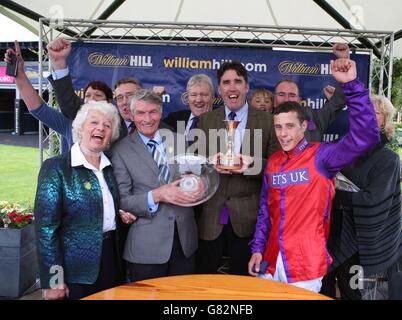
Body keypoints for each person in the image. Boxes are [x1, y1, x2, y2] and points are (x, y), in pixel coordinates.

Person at [248, 58, 380, 293]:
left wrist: (351, 85)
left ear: (303, 127)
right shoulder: (274, 162)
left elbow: (366, 135)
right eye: (278, 127)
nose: (283, 134)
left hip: (304, 264)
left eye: (290, 126)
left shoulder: (322, 157)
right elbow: (265, 212)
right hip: (269, 261)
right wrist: (257, 249)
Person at [193, 61, 280, 275]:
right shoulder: (205, 121)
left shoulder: (268, 122)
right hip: (211, 218)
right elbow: (194, 164)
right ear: (219, 89)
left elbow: (279, 168)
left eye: (238, 82)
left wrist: (252, 165)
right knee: (205, 284)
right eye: (226, 82)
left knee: (243, 285)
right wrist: (209, 163)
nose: (232, 87)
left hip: (248, 221)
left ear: (246, 87)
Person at [322, 95, 402, 300]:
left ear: (384, 121)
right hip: (337, 235)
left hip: (372, 244)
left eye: (375, 112)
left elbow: (373, 201)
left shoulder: (388, 159)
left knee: (358, 296)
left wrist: (335, 194)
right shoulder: (340, 148)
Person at [34, 101, 123, 300]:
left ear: (111, 135)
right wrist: (53, 280)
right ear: (80, 128)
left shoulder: (110, 169)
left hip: (110, 262)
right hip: (74, 270)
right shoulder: (56, 168)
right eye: (94, 122)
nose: (100, 128)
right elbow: (45, 229)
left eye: (107, 125)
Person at [111, 89, 202, 282]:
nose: (147, 118)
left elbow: (194, 178)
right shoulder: (120, 150)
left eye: (153, 112)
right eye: (141, 113)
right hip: (146, 248)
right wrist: (157, 195)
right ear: (132, 114)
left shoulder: (180, 141)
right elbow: (123, 200)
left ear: (160, 113)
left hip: (184, 243)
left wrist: (198, 185)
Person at [46, 37, 171, 141]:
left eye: (130, 95)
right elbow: (70, 106)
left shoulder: (165, 131)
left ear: (141, 97)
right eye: (120, 97)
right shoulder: (109, 123)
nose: (125, 101)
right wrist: (59, 62)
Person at [3, 41, 113, 153]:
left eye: (98, 95)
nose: (92, 99)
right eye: (88, 95)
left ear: (109, 102)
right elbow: (38, 109)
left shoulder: (117, 127)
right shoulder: (70, 124)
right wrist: (19, 73)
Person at [273, 43, 350, 142]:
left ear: (299, 100)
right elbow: (253, 155)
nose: (287, 99)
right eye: (281, 94)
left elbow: (338, 101)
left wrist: (344, 61)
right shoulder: (260, 120)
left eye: (292, 95)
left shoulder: (312, 117)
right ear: (274, 99)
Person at [163, 74, 214, 140]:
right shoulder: (174, 119)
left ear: (212, 98)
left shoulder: (222, 122)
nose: (198, 100)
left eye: (204, 95)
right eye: (193, 95)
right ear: (188, 98)